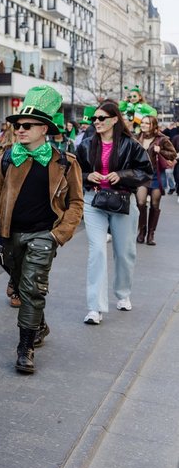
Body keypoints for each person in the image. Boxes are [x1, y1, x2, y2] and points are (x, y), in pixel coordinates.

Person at [0, 86, 84, 374]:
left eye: (27, 125)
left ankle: (24, 348)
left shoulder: (65, 162)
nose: (20, 130)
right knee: (22, 286)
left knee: (32, 287)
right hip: (8, 236)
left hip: (43, 235)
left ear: (44, 129)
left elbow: (76, 203)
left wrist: (58, 234)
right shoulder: (7, 157)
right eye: (17, 125)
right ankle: (39, 324)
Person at [76, 100, 153, 324]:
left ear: (114, 119)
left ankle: (123, 293)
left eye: (101, 118)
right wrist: (87, 176)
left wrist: (122, 175)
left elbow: (145, 171)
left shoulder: (130, 144)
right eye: (95, 118)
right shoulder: (86, 144)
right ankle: (95, 308)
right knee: (97, 252)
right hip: (94, 201)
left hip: (123, 201)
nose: (96, 122)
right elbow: (73, 171)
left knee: (125, 252)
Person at [135, 115, 176, 245]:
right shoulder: (136, 138)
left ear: (153, 125)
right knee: (141, 202)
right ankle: (142, 230)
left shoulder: (162, 139)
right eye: (142, 123)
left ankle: (151, 234)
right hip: (141, 175)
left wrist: (161, 151)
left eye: (147, 123)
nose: (143, 125)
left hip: (156, 175)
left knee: (154, 204)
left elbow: (173, 154)